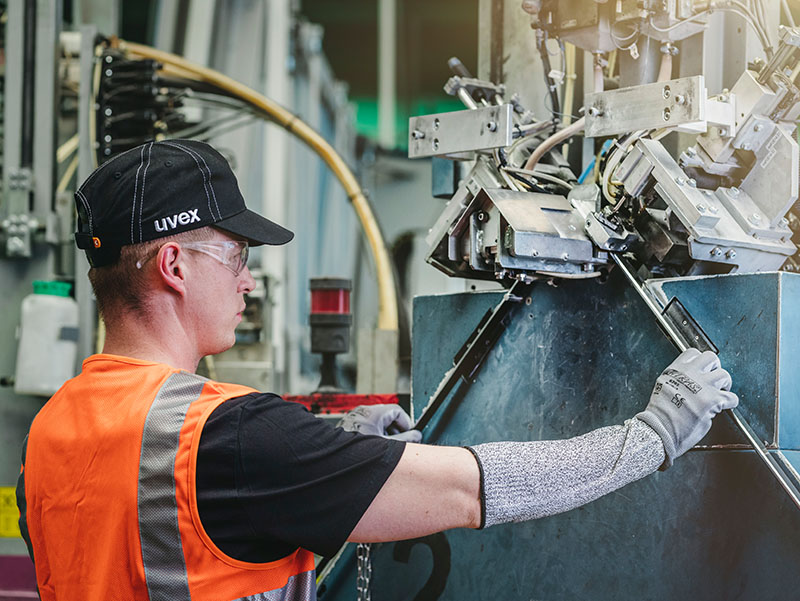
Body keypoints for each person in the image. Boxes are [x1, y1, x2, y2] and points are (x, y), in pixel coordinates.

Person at [16, 139, 738, 601]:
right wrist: (651, 436)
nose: (247, 281)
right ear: (173, 265)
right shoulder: (230, 438)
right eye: (235, 256)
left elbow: (174, 524)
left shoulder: (50, 432)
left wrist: (330, 445)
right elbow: (470, 487)